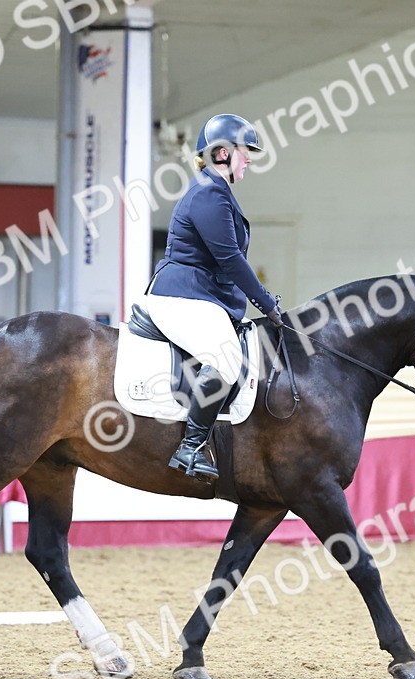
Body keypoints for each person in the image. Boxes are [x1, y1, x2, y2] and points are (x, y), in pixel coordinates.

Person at [142, 113, 283, 484]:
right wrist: (266, 303)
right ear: (222, 153)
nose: (249, 159)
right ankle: (190, 447)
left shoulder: (216, 191)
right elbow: (230, 260)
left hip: (202, 297)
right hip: (181, 296)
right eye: (244, 151)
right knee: (225, 358)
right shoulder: (208, 193)